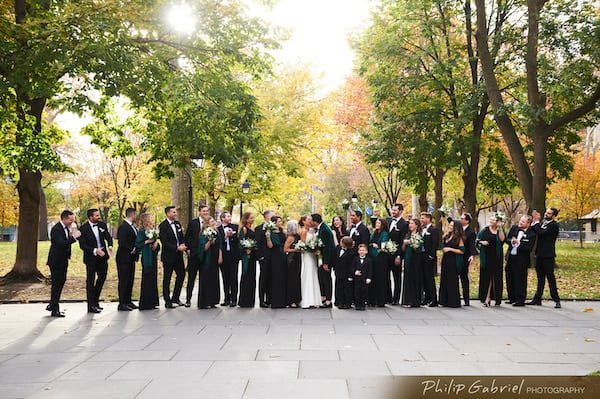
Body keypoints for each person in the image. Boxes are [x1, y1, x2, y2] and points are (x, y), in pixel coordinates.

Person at [46, 210, 81, 317]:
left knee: (60, 282)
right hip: (56, 261)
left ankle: (52, 305)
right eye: (71, 220)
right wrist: (74, 238)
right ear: (64, 219)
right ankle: (54, 308)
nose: (72, 222)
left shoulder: (66, 228)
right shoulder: (57, 229)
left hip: (63, 260)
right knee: (57, 284)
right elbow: (61, 244)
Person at [79, 208, 113, 313]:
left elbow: (108, 236)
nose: (99, 217)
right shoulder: (83, 228)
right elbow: (82, 245)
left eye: (98, 215)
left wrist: (110, 246)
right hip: (91, 258)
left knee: (102, 278)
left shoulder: (102, 225)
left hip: (102, 256)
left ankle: (95, 300)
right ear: (90, 217)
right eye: (96, 215)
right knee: (90, 281)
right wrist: (94, 250)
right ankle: (91, 305)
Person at [528, 208, 561, 308]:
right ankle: (537, 299)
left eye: (549, 213)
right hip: (539, 254)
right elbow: (535, 231)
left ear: (554, 216)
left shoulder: (554, 225)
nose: (546, 214)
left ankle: (556, 299)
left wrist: (537, 222)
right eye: (546, 212)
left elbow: (542, 233)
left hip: (548, 255)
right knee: (540, 277)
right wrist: (534, 221)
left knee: (550, 277)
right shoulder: (543, 223)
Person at [158, 206, 187, 308]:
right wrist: (176, 247)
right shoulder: (163, 226)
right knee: (167, 277)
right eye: (173, 212)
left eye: (175, 212)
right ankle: (167, 300)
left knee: (181, 274)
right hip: (169, 256)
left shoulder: (178, 224)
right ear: (168, 213)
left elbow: (181, 237)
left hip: (179, 256)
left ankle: (176, 297)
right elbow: (164, 242)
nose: (175, 214)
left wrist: (183, 245)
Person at [505, 215, 536, 307]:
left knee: (520, 280)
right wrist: (511, 241)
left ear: (528, 224)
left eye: (523, 222)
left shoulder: (531, 234)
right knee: (509, 277)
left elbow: (529, 248)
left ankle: (520, 299)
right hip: (511, 257)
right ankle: (511, 298)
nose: (520, 223)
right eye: (520, 221)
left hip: (521, 260)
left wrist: (519, 244)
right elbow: (507, 239)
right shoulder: (514, 228)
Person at [477, 214, 506, 307]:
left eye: (494, 220)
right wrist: (482, 242)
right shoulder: (484, 230)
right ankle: (486, 297)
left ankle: (496, 298)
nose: (491, 221)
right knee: (486, 277)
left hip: (496, 257)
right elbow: (477, 240)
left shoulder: (499, 231)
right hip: (486, 257)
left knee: (496, 278)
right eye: (491, 220)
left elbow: (502, 240)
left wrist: (500, 228)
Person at [184, 204, 209, 307]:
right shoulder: (193, 223)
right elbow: (187, 237)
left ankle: (203, 300)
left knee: (204, 278)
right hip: (194, 254)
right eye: (204, 211)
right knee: (191, 278)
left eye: (207, 211)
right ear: (199, 212)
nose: (206, 213)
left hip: (205, 255)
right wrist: (188, 249)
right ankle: (188, 299)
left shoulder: (210, 224)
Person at [135, 213, 160, 310]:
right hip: (146, 257)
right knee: (147, 278)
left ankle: (153, 301)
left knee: (153, 278)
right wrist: (148, 241)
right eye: (150, 218)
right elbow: (138, 243)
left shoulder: (152, 230)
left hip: (153, 256)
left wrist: (156, 242)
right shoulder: (142, 231)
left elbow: (156, 241)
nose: (152, 219)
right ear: (146, 220)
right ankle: (146, 303)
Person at [116, 208, 138, 311]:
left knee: (130, 279)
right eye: (135, 215)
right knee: (124, 280)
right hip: (124, 257)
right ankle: (122, 302)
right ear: (132, 215)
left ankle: (128, 300)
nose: (136, 216)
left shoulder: (132, 226)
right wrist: (132, 249)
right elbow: (122, 242)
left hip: (131, 258)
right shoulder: (123, 227)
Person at [439, 220, 465, 308]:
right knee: (444, 279)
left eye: (452, 226)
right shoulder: (447, 236)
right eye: (449, 225)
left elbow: (462, 251)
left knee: (452, 280)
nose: (450, 227)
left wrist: (450, 249)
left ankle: (453, 301)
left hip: (453, 260)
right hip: (445, 259)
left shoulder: (458, 238)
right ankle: (444, 300)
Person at [312, 213, 336, 308]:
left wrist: (326, 262)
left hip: (326, 259)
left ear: (315, 221)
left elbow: (328, 247)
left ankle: (329, 300)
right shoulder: (321, 228)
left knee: (326, 279)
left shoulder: (325, 229)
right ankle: (324, 297)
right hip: (321, 258)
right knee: (322, 278)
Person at [198, 217, 222, 309]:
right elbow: (203, 248)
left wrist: (220, 256)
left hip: (215, 257)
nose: (214, 222)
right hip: (207, 259)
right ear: (207, 223)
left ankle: (213, 300)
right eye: (212, 221)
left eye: (214, 221)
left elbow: (220, 245)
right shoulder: (203, 234)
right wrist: (210, 242)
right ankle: (205, 301)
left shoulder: (216, 232)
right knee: (206, 278)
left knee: (214, 278)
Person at [386, 204, 408, 305]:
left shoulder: (404, 224)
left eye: (395, 210)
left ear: (400, 211)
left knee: (397, 277)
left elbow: (402, 240)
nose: (393, 212)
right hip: (387, 253)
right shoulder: (388, 220)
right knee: (386, 276)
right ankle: (388, 297)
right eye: (392, 210)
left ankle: (396, 298)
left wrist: (399, 256)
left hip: (396, 254)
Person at [218, 211, 240, 307]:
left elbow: (238, 240)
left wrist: (233, 236)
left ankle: (234, 299)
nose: (229, 217)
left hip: (233, 255)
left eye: (230, 216)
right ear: (222, 218)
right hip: (224, 255)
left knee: (233, 277)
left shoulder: (235, 227)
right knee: (225, 277)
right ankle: (227, 298)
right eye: (227, 216)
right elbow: (218, 242)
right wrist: (225, 236)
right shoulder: (218, 229)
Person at [299, 215, 321, 309]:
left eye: (311, 220)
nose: (311, 221)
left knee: (314, 274)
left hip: (313, 256)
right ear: (304, 221)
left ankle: (314, 299)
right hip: (307, 256)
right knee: (308, 274)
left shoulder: (312, 231)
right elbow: (302, 247)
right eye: (309, 220)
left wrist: (316, 248)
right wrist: (312, 249)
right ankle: (307, 299)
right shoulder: (303, 231)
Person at [401, 218, 424, 307]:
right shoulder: (408, 235)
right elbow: (403, 248)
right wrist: (404, 243)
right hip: (408, 257)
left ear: (416, 225)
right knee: (407, 278)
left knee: (415, 278)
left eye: (412, 223)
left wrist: (411, 242)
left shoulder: (419, 235)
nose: (410, 225)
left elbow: (417, 248)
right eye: (409, 223)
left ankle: (414, 300)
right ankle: (407, 300)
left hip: (416, 259)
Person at [368, 218, 390, 307]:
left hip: (380, 258)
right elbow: (370, 241)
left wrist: (378, 246)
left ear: (383, 224)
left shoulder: (385, 233)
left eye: (379, 223)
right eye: (376, 222)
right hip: (372, 257)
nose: (377, 224)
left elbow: (383, 245)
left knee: (380, 278)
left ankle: (381, 300)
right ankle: (373, 299)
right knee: (373, 278)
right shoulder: (374, 233)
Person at [266, 216, 287, 308]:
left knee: (283, 277)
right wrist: (268, 237)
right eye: (279, 221)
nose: (281, 222)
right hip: (275, 256)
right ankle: (275, 301)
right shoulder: (270, 233)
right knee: (275, 277)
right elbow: (270, 246)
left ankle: (283, 300)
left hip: (283, 255)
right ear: (274, 223)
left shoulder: (283, 232)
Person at [238, 212, 257, 308]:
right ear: (246, 219)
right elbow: (240, 241)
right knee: (246, 275)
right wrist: (246, 249)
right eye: (251, 218)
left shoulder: (253, 228)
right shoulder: (244, 229)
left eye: (253, 218)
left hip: (253, 255)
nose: (252, 219)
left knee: (252, 276)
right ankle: (244, 301)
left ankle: (251, 300)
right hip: (247, 255)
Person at [256, 210, 275, 307]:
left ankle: (270, 299)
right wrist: (260, 257)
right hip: (264, 257)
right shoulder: (259, 228)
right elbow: (258, 243)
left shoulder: (274, 228)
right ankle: (261, 300)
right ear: (266, 217)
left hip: (274, 257)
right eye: (271, 216)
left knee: (271, 278)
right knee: (263, 278)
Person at [420, 212, 439, 307]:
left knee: (430, 278)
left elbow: (435, 243)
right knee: (423, 278)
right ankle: (426, 298)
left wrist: (431, 256)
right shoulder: (422, 230)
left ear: (428, 219)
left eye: (423, 218)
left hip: (429, 257)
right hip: (422, 256)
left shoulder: (433, 230)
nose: (421, 220)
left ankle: (433, 299)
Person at [459, 213, 476, 306]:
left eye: (462, 218)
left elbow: (471, 245)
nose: (460, 220)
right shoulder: (459, 229)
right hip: (457, 255)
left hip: (465, 256)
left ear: (467, 221)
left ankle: (466, 299)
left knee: (464, 277)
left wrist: (472, 255)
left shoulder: (471, 232)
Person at [284, 220, 302, 308]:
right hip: (292, 259)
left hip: (298, 259)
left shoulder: (298, 236)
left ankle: (297, 299)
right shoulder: (290, 237)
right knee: (292, 280)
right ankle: (291, 300)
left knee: (297, 279)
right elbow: (285, 249)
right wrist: (296, 250)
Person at [334, 236, 355, 309]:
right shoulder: (338, 249)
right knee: (339, 288)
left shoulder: (351, 253)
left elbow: (351, 265)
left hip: (347, 273)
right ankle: (340, 302)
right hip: (338, 272)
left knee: (347, 289)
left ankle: (347, 303)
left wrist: (351, 275)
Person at [352, 244, 372, 311]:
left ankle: (362, 305)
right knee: (357, 292)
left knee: (364, 292)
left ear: (366, 251)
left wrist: (369, 278)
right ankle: (357, 305)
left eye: (363, 250)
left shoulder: (369, 260)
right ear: (358, 251)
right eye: (360, 250)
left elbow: (370, 270)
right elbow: (352, 268)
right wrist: (355, 272)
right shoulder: (355, 259)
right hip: (357, 279)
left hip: (364, 279)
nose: (361, 252)